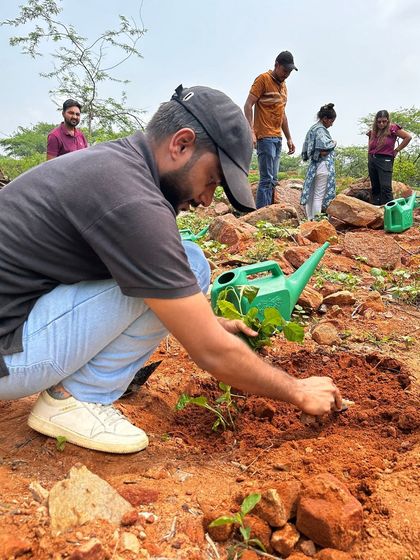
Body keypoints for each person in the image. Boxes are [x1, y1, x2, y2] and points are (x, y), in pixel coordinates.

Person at [0, 85, 342, 454]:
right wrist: (298, 390)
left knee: (182, 264)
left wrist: (209, 318)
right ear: (181, 144)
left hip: (17, 319)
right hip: (8, 356)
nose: (206, 199)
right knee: (190, 263)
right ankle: (76, 398)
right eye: (212, 179)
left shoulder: (116, 166)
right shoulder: (133, 200)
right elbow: (211, 352)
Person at [244, 51, 297, 209]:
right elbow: (248, 105)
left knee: (273, 180)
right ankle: (261, 214)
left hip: (277, 138)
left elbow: (283, 114)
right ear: (276, 65)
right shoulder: (263, 79)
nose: (286, 74)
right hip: (264, 136)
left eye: (289, 72)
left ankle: (270, 215)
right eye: (284, 70)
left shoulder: (284, 86)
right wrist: (251, 131)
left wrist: (289, 138)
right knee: (266, 179)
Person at [300, 103, 337, 220]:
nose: (332, 124)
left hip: (313, 166)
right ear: (325, 119)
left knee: (310, 195)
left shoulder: (312, 129)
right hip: (323, 166)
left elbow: (306, 150)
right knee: (318, 196)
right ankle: (316, 222)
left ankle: (310, 220)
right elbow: (324, 150)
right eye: (331, 121)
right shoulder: (321, 130)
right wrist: (334, 142)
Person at [367, 110, 412, 205]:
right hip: (372, 159)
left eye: (384, 121)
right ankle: (376, 210)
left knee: (385, 187)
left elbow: (408, 137)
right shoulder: (373, 131)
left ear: (388, 121)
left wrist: (397, 150)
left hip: (385, 159)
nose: (381, 124)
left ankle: (390, 211)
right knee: (375, 187)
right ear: (376, 121)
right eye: (379, 121)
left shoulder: (393, 128)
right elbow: (370, 143)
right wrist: (369, 157)